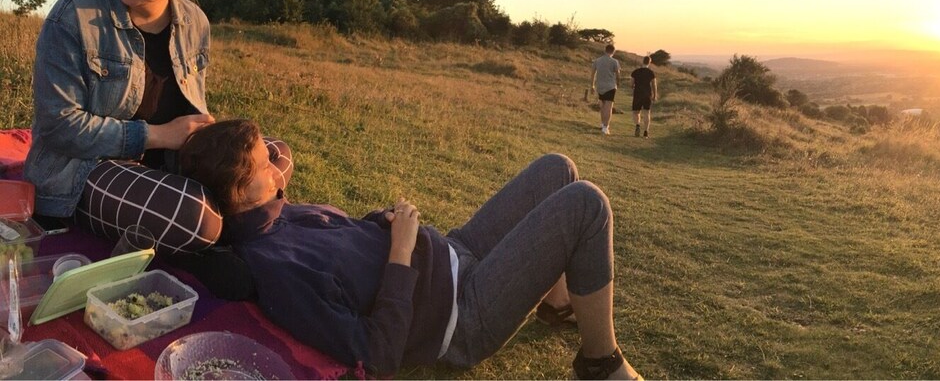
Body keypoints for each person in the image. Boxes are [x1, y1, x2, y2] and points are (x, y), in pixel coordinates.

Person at [179, 119, 643, 380]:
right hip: (460, 316)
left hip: (453, 254)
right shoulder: (275, 269)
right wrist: (400, 252)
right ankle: (600, 363)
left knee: (557, 168)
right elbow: (375, 353)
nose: (278, 168)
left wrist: (383, 222)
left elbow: (345, 250)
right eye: (265, 165)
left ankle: (559, 303)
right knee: (586, 204)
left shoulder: (280, 211)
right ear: (241, 191)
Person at [23, 0, 292, 297]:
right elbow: (58, 125)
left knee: (275, 153)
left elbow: (186, 102)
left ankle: (208, 237)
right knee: (196, 216)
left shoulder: (195, 21)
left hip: (165, 166)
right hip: (85, 172)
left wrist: (204, 134)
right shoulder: (75, 15)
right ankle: (213, 240)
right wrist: (156, 135)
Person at [590, 44, 621, 135]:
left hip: (600, 86)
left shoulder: (597, 61)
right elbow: (618, 74)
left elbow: (593, 74)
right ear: (613, 52)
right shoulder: (614, 61)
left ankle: (603, 124)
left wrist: (592, 85)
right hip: (610, 86)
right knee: (609, 107)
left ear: (605, 50)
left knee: (602, 106)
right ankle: (606, 127)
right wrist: (618, 83)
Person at [630, 56, 658, 138]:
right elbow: (654, 85)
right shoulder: (651, 73)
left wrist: (634, 87)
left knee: (636, 112)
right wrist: (655, 95)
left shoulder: (635, 72)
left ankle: (638, 125)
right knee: (647, 112)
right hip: (647, 94)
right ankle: (646, 132)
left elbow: (631, 84)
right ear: (649, 62)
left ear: (642, 61)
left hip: (637, 94)